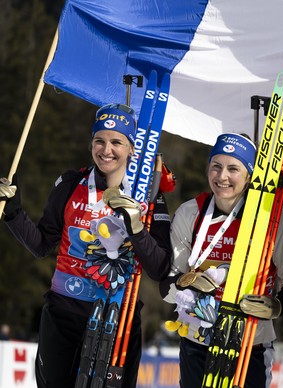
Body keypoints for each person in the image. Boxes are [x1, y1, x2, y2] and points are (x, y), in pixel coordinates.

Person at [0, 103, 172, 388]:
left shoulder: (149, 197)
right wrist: (13, 214)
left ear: (131, 148)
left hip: (119, 318)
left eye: (117, 142)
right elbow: (42, 244)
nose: (107, 150)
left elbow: (160, 267)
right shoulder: (70, 184)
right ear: (91, 143)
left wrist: (137, 228)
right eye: (99, 141)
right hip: (63, 312)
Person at [159, 133, 283, 388]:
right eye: (216, 166)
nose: (222, 177)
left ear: (249, 174)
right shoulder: (191, 212)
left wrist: (276, 306)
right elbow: (170, 281)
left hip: (250, 343)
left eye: (233, 168)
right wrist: (185, 289)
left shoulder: (275, 217)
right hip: (198, 340)